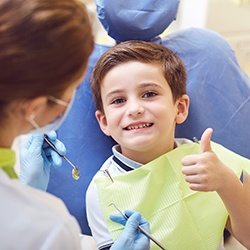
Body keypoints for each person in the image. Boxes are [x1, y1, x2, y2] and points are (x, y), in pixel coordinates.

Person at [0, 0, 150, 249]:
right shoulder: (49, 227)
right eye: (74, 88)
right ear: (33, 108)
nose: (135, 109)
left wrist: (24, 189)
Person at [86, 40, 250, 250]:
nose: (134, 109)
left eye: (149, 94)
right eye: (118, 100)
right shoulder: (102, 191)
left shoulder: (210, 162)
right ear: (105, 122)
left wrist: (227, 183)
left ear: (179, 108)